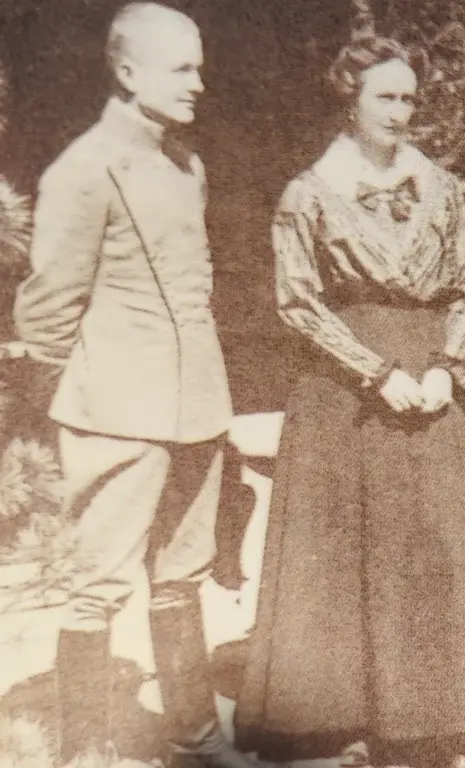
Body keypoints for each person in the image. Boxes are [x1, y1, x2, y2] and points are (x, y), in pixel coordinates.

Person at [12, 4, 275, 768]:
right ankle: (85, 752)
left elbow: (193, 291)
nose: (199, 83)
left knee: (180, 575)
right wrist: (92, 398)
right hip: (117, 413)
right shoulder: (83, 169)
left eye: (199, 66)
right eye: (180, 69)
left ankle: (192, 736)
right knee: (97, 586)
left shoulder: (185, 166)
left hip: (193, 403)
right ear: (126, 73)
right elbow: (48, 308)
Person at [232, 34, 465, 768]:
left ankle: (425, 720)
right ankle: (338, 715)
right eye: (386, 95)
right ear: (349, 99)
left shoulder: (442, 187)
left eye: (410, 97)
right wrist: (376, 371)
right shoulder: (307, 194)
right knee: (345, 547)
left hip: (430, 381)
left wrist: (447, 365)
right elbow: (298, 304)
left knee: (425, 542)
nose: (401, 111)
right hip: (345, 388)